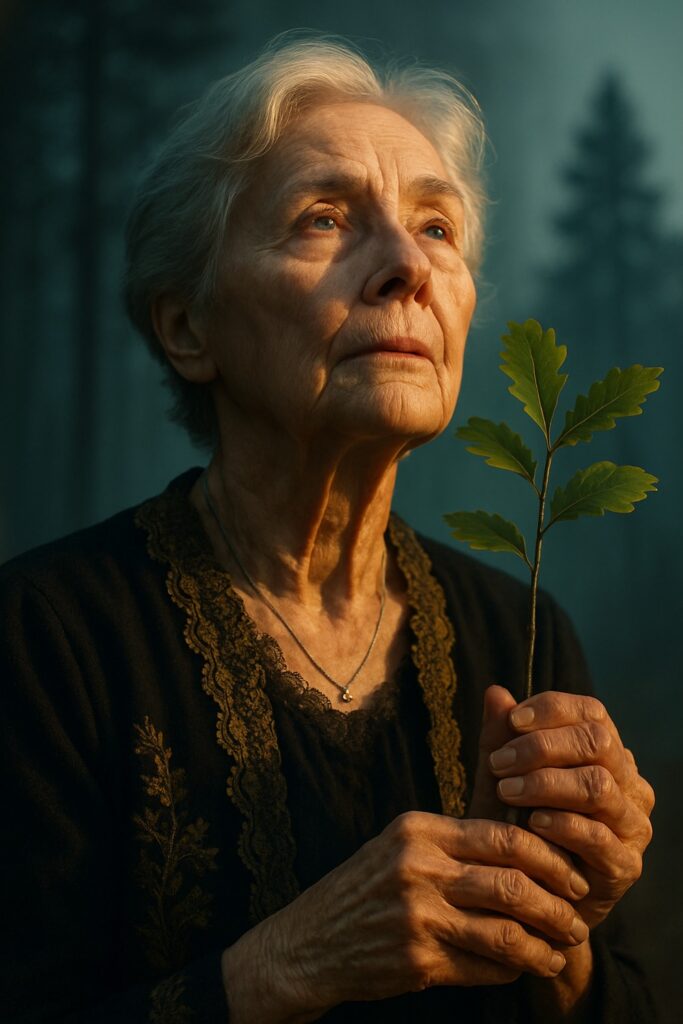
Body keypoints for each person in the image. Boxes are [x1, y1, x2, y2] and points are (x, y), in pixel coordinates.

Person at [2, 34, 656, 1023]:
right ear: (188, 328)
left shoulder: (517, 635)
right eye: (322, 220)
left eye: (435, 228)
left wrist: (559, 926)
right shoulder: (45, 637)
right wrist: (284, 967)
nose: (404, 265)